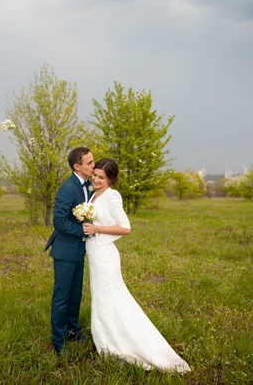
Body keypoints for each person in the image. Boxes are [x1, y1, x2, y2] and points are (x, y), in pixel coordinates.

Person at [82, 158, 191, 372]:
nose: (95, 179)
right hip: (95, 253)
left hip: (105, 255)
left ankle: (118, 342)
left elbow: (125, 227)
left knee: (111, 297)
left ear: (111, 179)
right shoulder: (94, 194)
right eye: (94, 174)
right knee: (102, 297)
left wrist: (97, 229)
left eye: (101, 177)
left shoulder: (112, 196)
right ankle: (104, 338)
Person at [44, 147, 95, 356]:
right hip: (65, 251)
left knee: (75, 295)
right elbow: (59, 221)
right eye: (90, 162)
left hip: (78, 250)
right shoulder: (67, 188)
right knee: (62, 297)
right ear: (77, 166)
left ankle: (73, 331)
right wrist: (84, 230)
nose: (94, 165)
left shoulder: (88, 185)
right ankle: (58, 341)